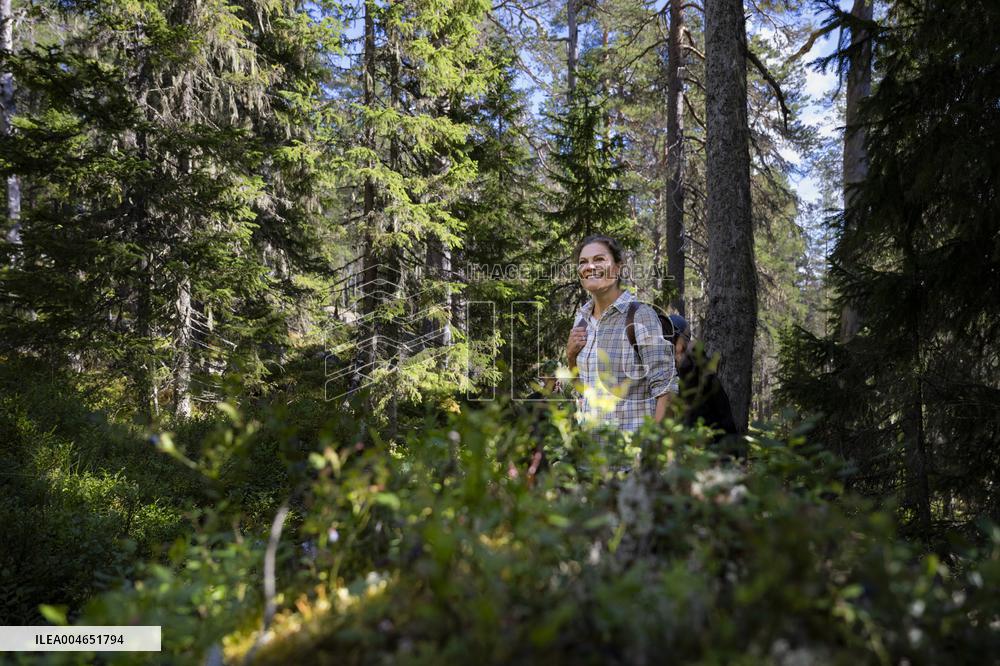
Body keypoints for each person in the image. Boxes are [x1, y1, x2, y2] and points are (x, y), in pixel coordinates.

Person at [565, 234, 678, 434]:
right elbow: (583, 390)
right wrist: (571, 357)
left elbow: (666, 390)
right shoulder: (581, 320)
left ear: (617, 267)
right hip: (590, 459)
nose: (589, 267)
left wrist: (653, 451)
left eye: (599, 259)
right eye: (583, 262)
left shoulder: (640, 316)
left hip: (631, 458)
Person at [667, 314, 744, 458]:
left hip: (711, 455)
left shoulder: (698, 372)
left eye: (669, 338)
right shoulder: (672, 370)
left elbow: (714, 421)